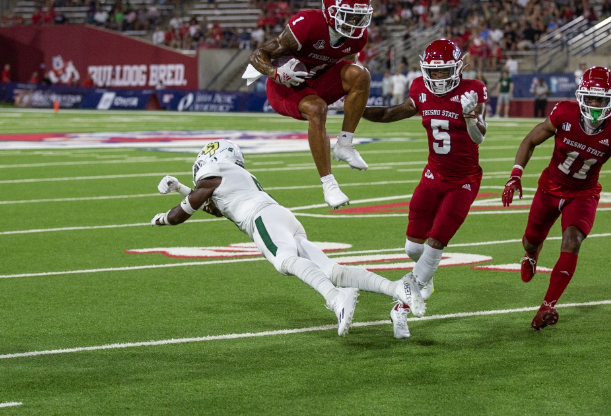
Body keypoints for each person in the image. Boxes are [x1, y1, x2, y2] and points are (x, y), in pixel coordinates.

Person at [151, 140, 425, 337]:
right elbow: (216, 208)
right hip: (281, 216)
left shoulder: (217, 171)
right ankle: (397, 288)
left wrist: (164, 218)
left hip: (262, 219)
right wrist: (180, 189)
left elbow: (184, 212)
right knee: (331, 270)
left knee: (284, 262)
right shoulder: (232, 175)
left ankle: (335, 298)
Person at [502, 66, 611, 330]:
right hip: (550, 187)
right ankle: (532, 253)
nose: (595, 105)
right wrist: (515, 174)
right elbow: (530, 139)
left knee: (572, 241)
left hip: (583, 193)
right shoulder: (564, 113)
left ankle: (547, 305)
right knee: (529, 240)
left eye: (602, 99)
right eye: (591, 98)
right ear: (581, 96)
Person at [362, 39, 489, 338]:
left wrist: (471, 117)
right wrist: (353, 109)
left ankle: (401, 306)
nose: (439, 79)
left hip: (464, 180)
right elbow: (392, 113)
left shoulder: (474, 89)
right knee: (413, 247)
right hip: (433, 175)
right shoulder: (420, 88)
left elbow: (479, 137)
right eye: (435, 72)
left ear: (457, 69)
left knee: (435, 244)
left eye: (445, 72)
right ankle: (423, 279)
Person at [243, 0, 375, 209]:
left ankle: (345, 144)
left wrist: (348, 94)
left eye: (359, 16)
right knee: (317, 108)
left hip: (317, 80)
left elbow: (349, 64)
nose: (355, 22)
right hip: (284, 85)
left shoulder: (358, 36)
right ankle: (328, 184)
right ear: (330, 10)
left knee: (361, 74)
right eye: (349, 15)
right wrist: (276, 73)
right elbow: (258, 54)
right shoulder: (308, 23)